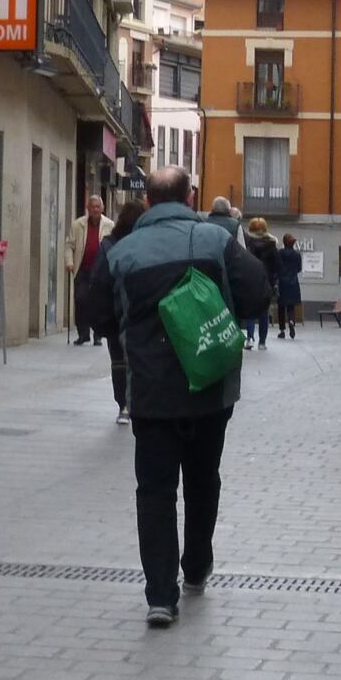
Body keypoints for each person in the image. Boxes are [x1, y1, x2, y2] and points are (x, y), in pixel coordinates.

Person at [105, 167, 272, 627]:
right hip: (210, 386)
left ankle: (161, 595)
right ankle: (196, 567)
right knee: (203, 480)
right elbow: (258, 293)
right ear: (190, 195)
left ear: (148, 201)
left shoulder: (123, 251)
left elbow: (95, 311)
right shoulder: (216, 242)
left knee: (154, 490)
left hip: (151, 392)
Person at [77, 198, 148, 423]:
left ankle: (123, 406)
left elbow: (99, 280)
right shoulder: (144, 242)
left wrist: (101, 318)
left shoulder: (110, 243)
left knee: (118, 360)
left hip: (116, 313)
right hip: (140, 311)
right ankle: (136, 402)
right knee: (138, 360)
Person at [66, 192, 110, 344]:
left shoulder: (110, 225)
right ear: (88, 208)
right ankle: (83, 334)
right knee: (80, 300)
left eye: (98, 206)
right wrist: (69, 261)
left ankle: (98, 335)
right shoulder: (78, 224)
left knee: (98, 303)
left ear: (102, 207)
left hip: (100, 271)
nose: (96, 210)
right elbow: (69, 245)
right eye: (93, 207)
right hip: (82, 269)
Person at [241, 215, 279, 348]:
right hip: (266, 281)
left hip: (250, 280)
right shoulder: (272, 244)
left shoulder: (247, 243)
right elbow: (276, 266)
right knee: (264, 311)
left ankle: (249, 338)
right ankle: (262, 342)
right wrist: (274, 281)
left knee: (250, 311)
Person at [274, 233, 304, 340]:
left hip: (282, 282)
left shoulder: (280, 253)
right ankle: (291, 321)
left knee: (281, 306)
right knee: (291, 306)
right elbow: (299, 268)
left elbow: (276, 266)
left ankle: (282, 330)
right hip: (293, 282)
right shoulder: (297, 254)